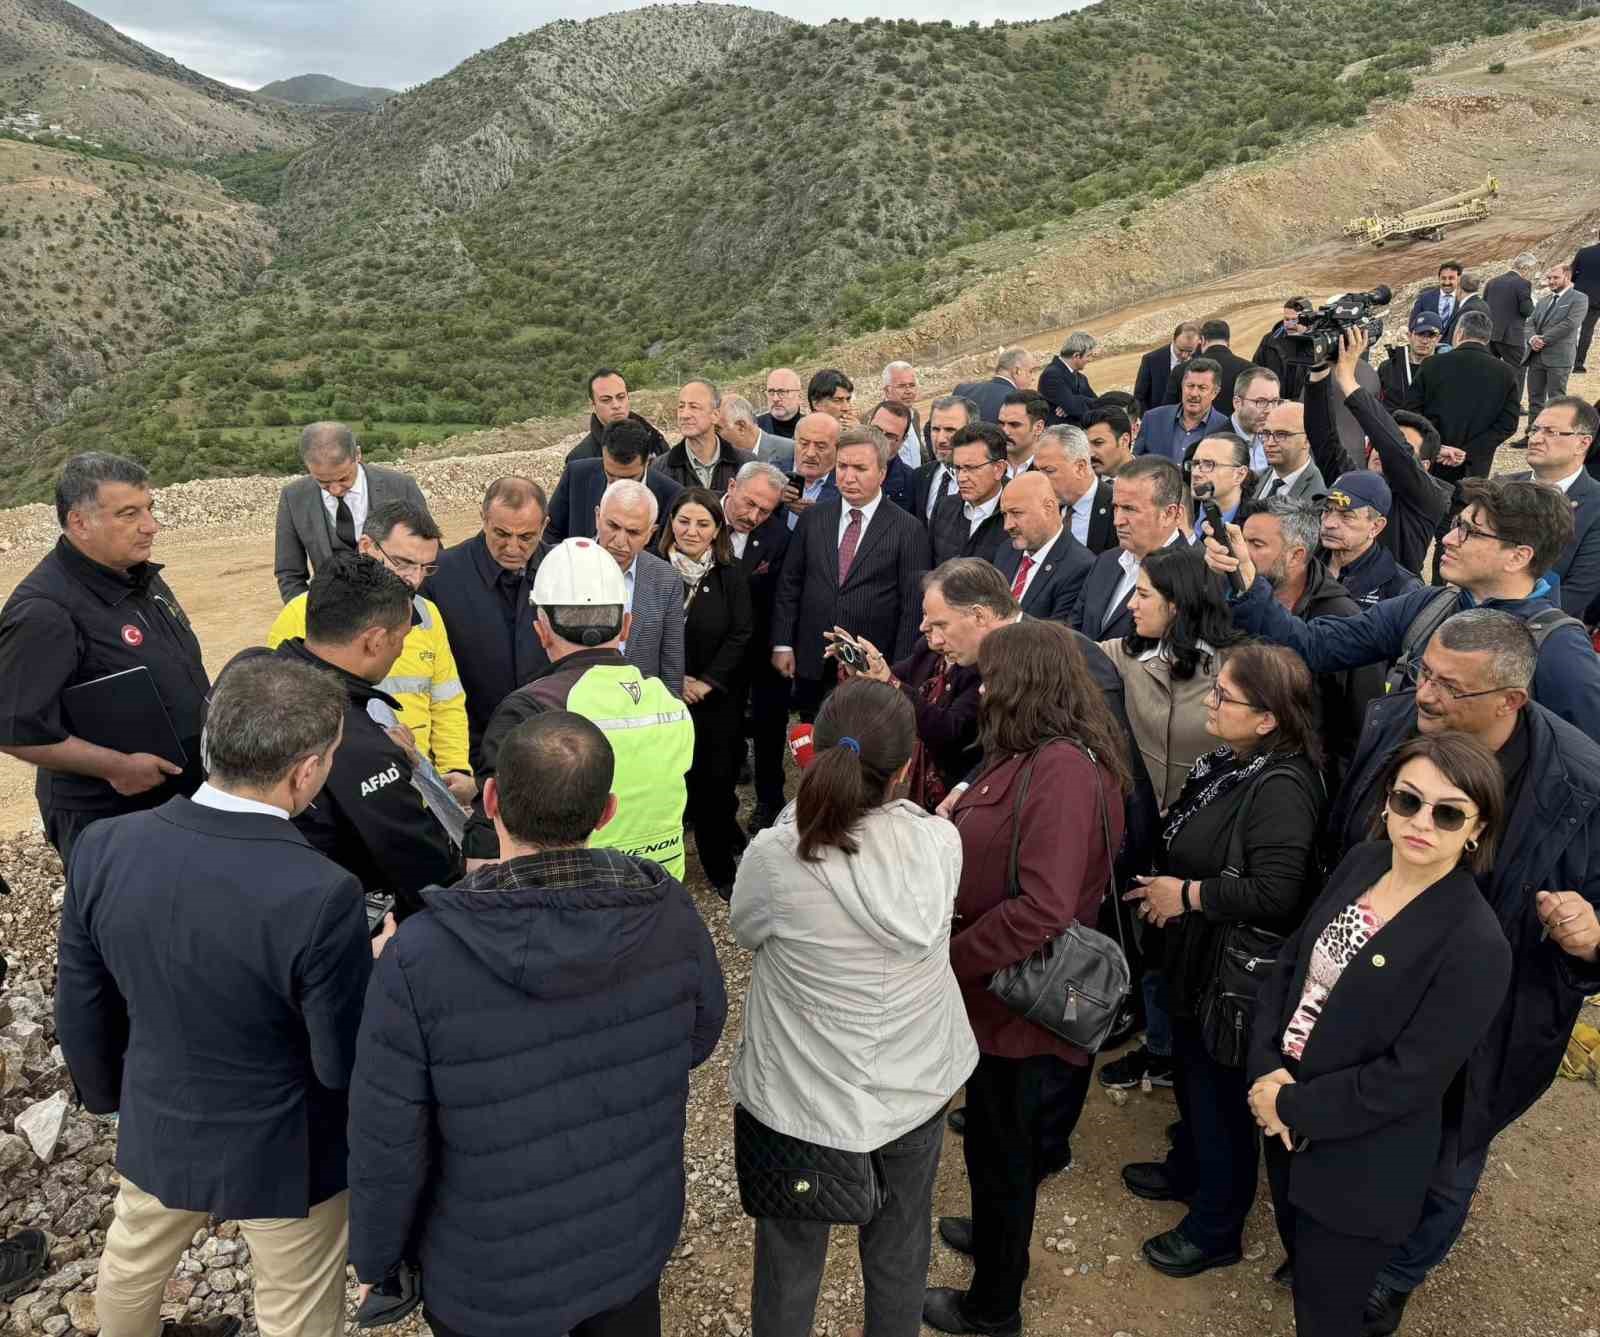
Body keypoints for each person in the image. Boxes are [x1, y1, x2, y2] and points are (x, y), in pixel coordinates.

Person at [348, 711, 726, 1337]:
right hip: (627, 1241)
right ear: (606, 812)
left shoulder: (419, 955)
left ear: (490, 800)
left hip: (488, 1276)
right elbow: (700, 1034)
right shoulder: (668, 913)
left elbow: (388, 1135)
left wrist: (379, 1258)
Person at [56, 656, 372, 1337]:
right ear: (306, 771)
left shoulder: (103, 846)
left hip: (161, 1114)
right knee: (295, 1304)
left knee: (131, 1265)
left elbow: (81, 1002)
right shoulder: (321, 894)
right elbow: (339, 1060)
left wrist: (116, 1100)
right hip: (287, 1149)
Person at [1314, 611, 1600, 1334]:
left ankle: (1395, 1272)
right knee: (1365, 1120)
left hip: (1492, 1023)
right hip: (1371, 991)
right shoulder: (1394, 725)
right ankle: (1345, 1240)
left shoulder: (1580, 785)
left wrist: (1590, 935)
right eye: (1426, 672)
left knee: (1449, 1159)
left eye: (1450, 686)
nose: (1426, 694)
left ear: (1511, 701)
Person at [731, 679, 977, 1337]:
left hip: (801, 1094)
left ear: (816, 751)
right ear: (905, 766)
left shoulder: (779, 853)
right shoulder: (938, 844)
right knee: (900, 1247)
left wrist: (794, 814)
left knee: (788, 1260)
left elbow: (744, 929)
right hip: (912, 1083)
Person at [1249, 733, 1512, 1337]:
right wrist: (1265, 1069)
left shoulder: (1476, 945)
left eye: (1448, 813)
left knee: (1326, 1315)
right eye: (1408, 801)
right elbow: (1293, 968)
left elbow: (1409, 1079)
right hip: (1285, 1118)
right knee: (1305, 1272)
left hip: (1358, 1166)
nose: (1423, 822)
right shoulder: (1363, 863)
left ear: (1477, 828)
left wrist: (1288, 1103)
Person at [923, 619, 1129, 1337]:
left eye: (990, 679)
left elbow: (1043, 905)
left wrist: (952, 959)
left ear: (1026, 683)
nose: (979, 691)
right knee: (989, 1136)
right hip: (996, 994)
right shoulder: (1031, 752)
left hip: (1020, 1002)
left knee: (1006, 1149)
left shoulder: (1066, 770)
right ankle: (991, 1233)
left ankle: (993, 1304)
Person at [1121, 643, 1324, 1280]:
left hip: (1228, 970)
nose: (1211, 703)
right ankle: (1190, 1169)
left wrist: (1185, 895)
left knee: (1219, 1098)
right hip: (1195, 955)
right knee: (1192, 1078)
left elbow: (1277, 891)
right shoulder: (1234, 763)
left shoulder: (1283, 785)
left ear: (1268, 719)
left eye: (1224, 698)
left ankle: (1216, 1226)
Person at [1201, 476, 1600, 743]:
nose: (1448, 539)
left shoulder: (1557, 648)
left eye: (1470, 531)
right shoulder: (1430, 605)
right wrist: (1249, 583)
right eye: (1456, 524)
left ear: (1518, 557)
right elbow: (1315, 645)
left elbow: (1580, 771)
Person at [0, 452, 209, 866]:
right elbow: (12, 728)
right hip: (110, 815)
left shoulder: (136, 574)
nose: (151, 525)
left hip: (175, 796)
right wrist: (117, 768)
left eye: (149, 508)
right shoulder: (45, 610)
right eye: (129, 514)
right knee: (132, 924)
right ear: (80, 523)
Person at [465, 539, 694, 876]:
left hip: (576, 899)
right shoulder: (668, 703)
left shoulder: (532, 709)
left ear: (541, 631)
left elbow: (491, 837)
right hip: (657, 889)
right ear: (626, 625)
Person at [266, 553, 460, 914]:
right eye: (401, 637)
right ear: (374, 641)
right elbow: (426, 870)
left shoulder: (249, 675)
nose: (401, 649)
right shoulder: (351, 741)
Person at [268, 500, 474, 804]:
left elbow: (446, 700)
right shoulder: (304, 613)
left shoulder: (428, 615)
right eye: (403, 562)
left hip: (418, 791)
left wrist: (456, 767)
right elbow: (280, 720)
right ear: (367, 547)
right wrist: (374, 751)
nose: (414, 579)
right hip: (343, 794)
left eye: (425, 567)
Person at [772, 427, 932, 719]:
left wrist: (895, 672)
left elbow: (912, 609)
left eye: (860, 468)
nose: (848, 476)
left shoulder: (908, 530)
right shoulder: (813, 517)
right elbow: (790, 584)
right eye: (842, 466)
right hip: (812, 659)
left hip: (870, 667)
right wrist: (783, 643)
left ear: (882, 472)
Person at [1239, 496, 1382, 784]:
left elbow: (1359, 726)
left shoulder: (1342, 618)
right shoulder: (1234, 601)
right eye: (1242, 542)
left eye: (1256, 545)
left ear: (1296, 555)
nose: (1242, 554)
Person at [843, 559, 1001, 811]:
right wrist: (863, 668)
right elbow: (894, 676)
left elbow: (949, 731)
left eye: (938, 622)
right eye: (925, 614)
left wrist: (890, 682)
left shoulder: (982, 665)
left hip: (949, 797)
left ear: (978, 615)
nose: (923, 626)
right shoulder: (930, 650)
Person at [657, 488, 752, 899]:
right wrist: (674, 680)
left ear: (716, 531)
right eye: (683, 521)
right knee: (670, 780)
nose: (691, 531)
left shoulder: (731, 575)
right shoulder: (653, 571)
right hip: (663, 696)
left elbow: (741, 632)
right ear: (670, 523)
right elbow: (642, 630)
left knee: (716, 781)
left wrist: (706, 681)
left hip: (717, 699)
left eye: (702, 524)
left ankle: (719, 867)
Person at [421, 477, 550, 772]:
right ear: (483, 519)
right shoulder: (439, 578)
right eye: (501, 534)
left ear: (545, 526)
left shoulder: (562, 570)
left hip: (547, 749)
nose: (513, 547)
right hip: (471, 752)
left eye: (527, 537)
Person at [1097, 543, 1238, 811]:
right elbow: (1062, 653)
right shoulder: (1120, 654)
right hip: (1136, 827)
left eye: (1142, 594)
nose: (1130, 604)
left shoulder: (1236, 666)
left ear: (1176, 605)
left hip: (1203, 829)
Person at [1306, 329, 1452, 578]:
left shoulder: (1427, 501)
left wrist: (1349, 380)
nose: (1381, 451)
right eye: (1377, 443)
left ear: (1425, 466)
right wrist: (1320, 372)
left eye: (1404, 447)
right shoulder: (1355, 484)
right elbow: (1323, 439)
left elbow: (1395, 449)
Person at [273, 422, 427, 601]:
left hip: (397, 606)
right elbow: (289, 573)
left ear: (358, 455)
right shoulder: (293, 497)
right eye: (323, 482)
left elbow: (428, 556)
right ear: (308, 467)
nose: (336, 489)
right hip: (332, 613)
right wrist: (306, 616)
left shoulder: (401, 487)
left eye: (343, 478)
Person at [722, 462, 793, 832]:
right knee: (720, 727)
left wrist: (782, 645)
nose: (753, 516)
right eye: (748, 504)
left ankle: (770, 800)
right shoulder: (696, 519)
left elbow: (784, 594)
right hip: (712, 652)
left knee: (769, 724)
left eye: (765, 510)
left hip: (761, 645)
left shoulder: (777, 537)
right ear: (732, 486)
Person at [1403, 309, 1517, 499]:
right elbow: (1508, 424)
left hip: (1431, 462)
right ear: (1487, 339)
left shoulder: (1432, 365)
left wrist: (1438, 447)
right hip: (1474, 468)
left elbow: (1411, 412)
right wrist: (1468, 452)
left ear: (1459, 333)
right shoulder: (1506, 373)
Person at [1073, 456, 1189, 642]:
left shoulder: (1193, 574)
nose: (1117, 521)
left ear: (1170, 514)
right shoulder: (1106, 561)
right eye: (1116, 508)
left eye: (1130, 509)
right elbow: (1076, 628)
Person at [1503, 397, 1600, 617]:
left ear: (1582, 443)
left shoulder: (1596, 505)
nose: (1535, 439)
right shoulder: (1500, 487)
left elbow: (1579, 590)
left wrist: (1506, 620)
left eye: (1550, 432)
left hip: (1542, 629)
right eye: (1534, 429)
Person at [595, 479, 686, 695]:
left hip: (639, 709)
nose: (620, 541)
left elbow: (671, 662)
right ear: (597, 517)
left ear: (650, 534)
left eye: (633, 532)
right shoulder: (566, 565)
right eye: (613, 526)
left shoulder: (667, 579)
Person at [545, 418, 683, 543]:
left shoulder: (672, 495)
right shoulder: (576, 475)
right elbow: (550, 532)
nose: (617, 486)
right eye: (610, 475)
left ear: (648, 462)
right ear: (603, 455)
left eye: (629, 478)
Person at [993, 471, 1094, 623]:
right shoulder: (1007, 550)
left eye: (1016, 513)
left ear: (1048, 508)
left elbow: (1059, 636)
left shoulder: (1081, 566)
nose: (1007, 526)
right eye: (1005, 515)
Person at [1317, 472, 1422, 608]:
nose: (1329, 523)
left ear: (1376, 526)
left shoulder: (1401, 589)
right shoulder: (1302, 562)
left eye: (1346, 516)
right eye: (1326, 510)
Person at [1523, 262, 1590, 431]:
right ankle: (1532, 433)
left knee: (1557, 399)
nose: (1551, 281)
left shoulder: (1579, 298)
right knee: (1535, 398)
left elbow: (1570, 324)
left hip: (1559, 357)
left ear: (1567, 277)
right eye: (1549, 278)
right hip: (1536, 356)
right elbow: (1530, 322)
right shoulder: (1544, 300)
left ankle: (1553, 433)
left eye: (1555, 278)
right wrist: (1532, 339)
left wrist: (1543, 339)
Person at [931, 424, 1010, 566]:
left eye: (971, 468)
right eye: (958, 468)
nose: (961, 478)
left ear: (999, 469)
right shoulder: (943, 507)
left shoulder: (1017, 517)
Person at [653, 379, 752, 493]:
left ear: (715, 415)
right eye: (681, 407)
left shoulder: (745, 464)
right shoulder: (660, 469)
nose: (685, 415)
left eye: (694, 407)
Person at [1032, 425, 1116, 553]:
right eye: (1038, 471)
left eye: (1049, 471)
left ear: (1080, 467)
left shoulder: (1116, 507)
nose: (1041, 480)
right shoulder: (1039, 506)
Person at [1133, 358, 1229, 464]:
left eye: (1202, 388)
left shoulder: (1225, 429)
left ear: (1215, 392)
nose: (1193, 393)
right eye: (1190, 386)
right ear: (1182, 386)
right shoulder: (1153, 419)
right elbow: (1136, 464)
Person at [563, 367, 668, 464]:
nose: (616, 405)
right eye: (606, 400)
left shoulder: (654, 438)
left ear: (628, 397)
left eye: (621, 397)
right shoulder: (580, 459)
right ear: (593, 405)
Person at [1163, 319, 1251, 408]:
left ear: (1203, 340)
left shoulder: (1181, 369)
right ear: (1228, 342)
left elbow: (1168, 410)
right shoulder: (1249, 370)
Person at [915, 396, 974, 521]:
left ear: (972, 430)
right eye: (935, 429)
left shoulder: (988, 483)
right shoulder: (919, 476)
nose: (941, 439)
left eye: (950, 430)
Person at [1483, 256, 1537, 392]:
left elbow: (1484, 305)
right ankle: (1514, 404)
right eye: (1532, 269)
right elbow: (1526, 310)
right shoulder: (1523, 283)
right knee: (1517, 371)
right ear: (1525, 268)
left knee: (1490, 372)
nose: (1532, 273)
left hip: (1490, 335)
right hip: (1511, 337)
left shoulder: (1492, 282)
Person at [782, 411, 842, 530]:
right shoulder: (774, 472)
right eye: (804, 444)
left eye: (821, 446)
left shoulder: (846, 484)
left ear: (838, 448)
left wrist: (820, 516)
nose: (810, 453)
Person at [1256, 400, 1325, 501]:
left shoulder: (1320, 494)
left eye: (1281, 434)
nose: (1269, 443)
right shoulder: (1253, 480)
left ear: (1307, 440)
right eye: (1266, 433)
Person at [1188, 433, 1252, 539]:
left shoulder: (1258, 524)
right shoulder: (1176, 512)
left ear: (1239, 475)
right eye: (1195, 464)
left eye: (1209, 464)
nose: (1195, 473)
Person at [1251, 299, 1314, 402]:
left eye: (1294, 320)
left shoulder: (1316, 344)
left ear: (1307, 319)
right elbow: (1256, 370)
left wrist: (1307, 340)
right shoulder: (1269, 340)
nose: (1289, 324)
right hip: (1274, 403)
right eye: (1286, 319)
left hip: (1304, 405)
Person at [1376, 314, 1443, 408]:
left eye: (1431, 336)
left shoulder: (1444, 370)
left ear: (1438, 339)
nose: (1424, 341)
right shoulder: (1388, 368)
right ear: (1409, 335)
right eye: (1420, 334)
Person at [955, 348, 1037, 423]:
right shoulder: (1020, 401)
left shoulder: (962, 390)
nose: (1033, 378)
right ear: (1017, 371)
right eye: (1031, 371)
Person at [865, 401, 920, 511]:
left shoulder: (912, 484)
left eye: (890, 436)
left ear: (903, 440)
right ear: (867, 424)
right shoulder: (837, 464)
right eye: (876, 430)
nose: (879, 438)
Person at [1134, 321, 1201, 411]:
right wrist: (1149, 419)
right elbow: (1139, 397)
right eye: (1180, 350)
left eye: (1190, 351)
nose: (1184, 355)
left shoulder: (1202, 359)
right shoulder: (1151, 360)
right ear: (1173, 340)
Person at [1037, 332, 1097, 426]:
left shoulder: (1081, 378)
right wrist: (1073, 405)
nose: (1090, 359)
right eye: (1088, 355)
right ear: (1076, 356)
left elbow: (1098, 403)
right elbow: (1073, 408)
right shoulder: (1052, 375)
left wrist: (1074, 402)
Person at [1228, 366, 1281, 474]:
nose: (1270, 410)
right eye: (1260, 402)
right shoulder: (1216, 443)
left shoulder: (1278, 439)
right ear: (1237, 403)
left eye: (1275, 401)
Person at [721, 393, 794, 471]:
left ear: (741, 427)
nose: (712, 434)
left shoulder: (790, 451)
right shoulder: (719, 460)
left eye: (717, 429)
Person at [880, 360, 926, 468]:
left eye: (912, 385)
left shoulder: (914, 415)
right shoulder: (873, 419)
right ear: (887, 391)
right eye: (902, 386)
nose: (908, 391)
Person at [1409, 260, 1467, 342]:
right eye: (1443, 278)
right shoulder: (1424, 298)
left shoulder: (1465, 301)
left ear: (1459, 278)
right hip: (1428, 347)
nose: (1447, 282)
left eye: (1451, 278)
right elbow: (1412, 326)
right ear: (1439, 278)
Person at [996, 392, 1049, 473]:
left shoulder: (1049, 469)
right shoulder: (988, 464)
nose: (1005, 431)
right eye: (1001, 423)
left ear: (1038, 428)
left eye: (1014, 425)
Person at [1572, 227, 1600, 372]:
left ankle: (1567, 358)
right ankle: (1578, 364)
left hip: (1579, 295)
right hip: (1597, 300)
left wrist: (1580, 282)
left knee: (1571, 327)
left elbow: (1572, 274)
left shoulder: (1584, 252)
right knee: (1587, 330)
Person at [1084, 404, 1136, 479]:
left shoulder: (1153, 478)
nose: (1090, 453)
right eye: (1086, 445)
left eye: (1098, 443)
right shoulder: (1081, 483)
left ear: (1125, 440)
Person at [758, 367, 805, 438]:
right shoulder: (755, 428)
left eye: (782, 392)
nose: (775, 399)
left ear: (800, 396)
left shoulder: (813, 428)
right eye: (771, 392)